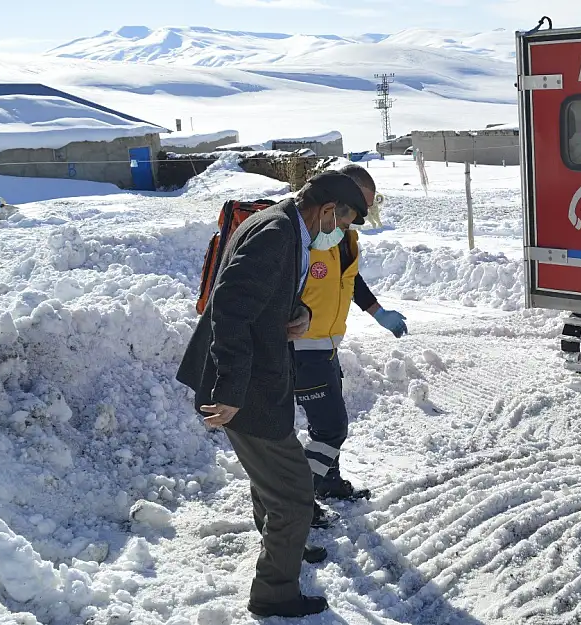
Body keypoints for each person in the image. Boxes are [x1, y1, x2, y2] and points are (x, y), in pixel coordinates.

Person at [175, 171, 368, 619]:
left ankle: (287, 550)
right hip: (246, 388)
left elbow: (266, 294)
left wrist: (296, 312)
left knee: (274, 481)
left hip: (261, 378)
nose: (341, 233)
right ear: (325, 211)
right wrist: (230, 389)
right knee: (295, 494)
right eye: (344, 222)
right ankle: (274, 594)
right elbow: (230, 306)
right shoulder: (278, 232)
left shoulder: (284, 226)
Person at [296, 164, 408, 522]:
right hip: (301, 348)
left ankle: (326, 481)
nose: (360, 217)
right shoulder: (308, 234)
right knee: (332, 428)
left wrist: (379, 313)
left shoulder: (344, 237)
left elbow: (351, 281)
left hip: (327, 345)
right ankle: (299, 501)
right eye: (359, 207)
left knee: (324, 427)